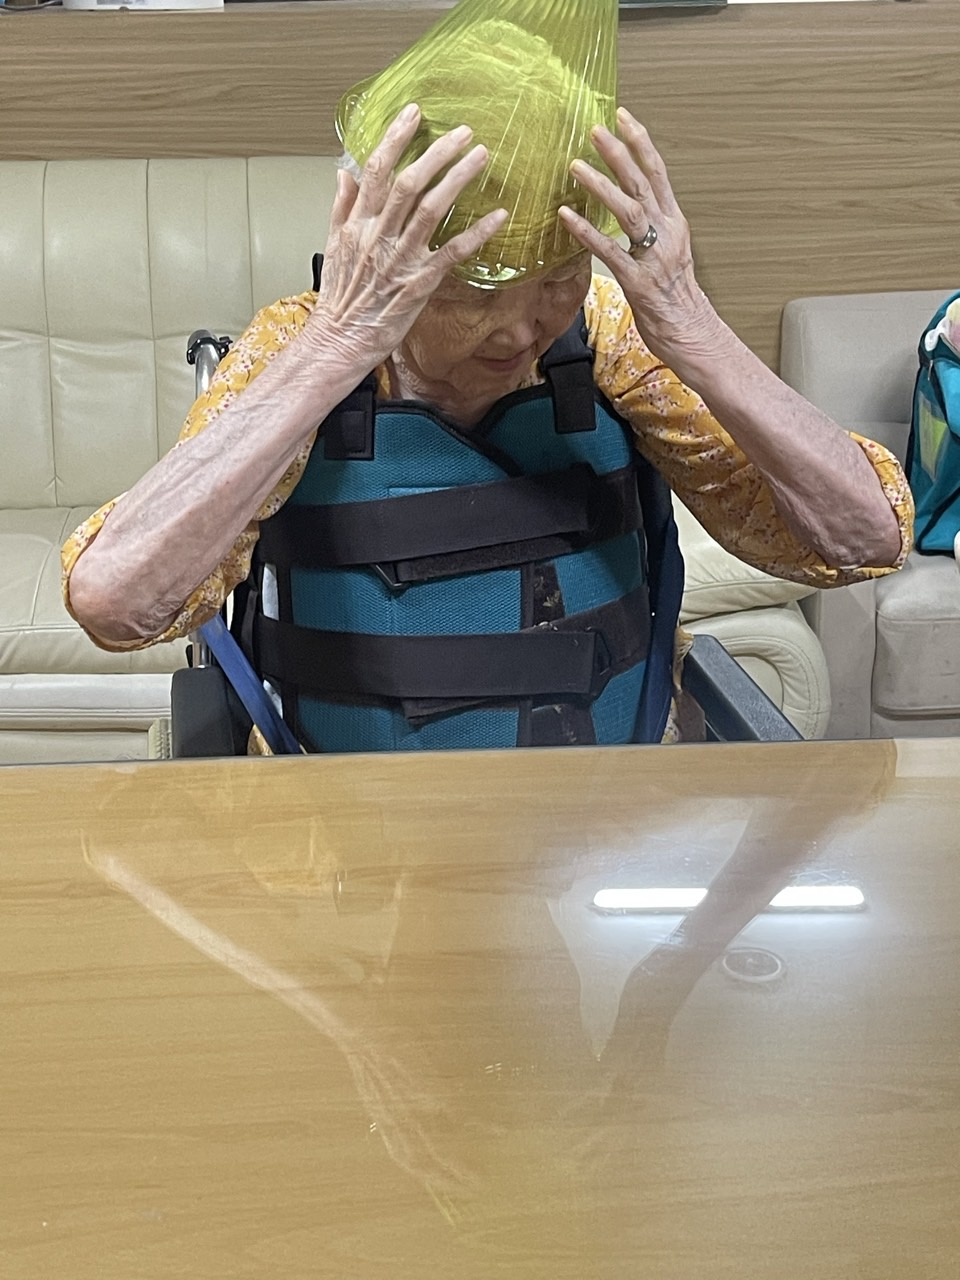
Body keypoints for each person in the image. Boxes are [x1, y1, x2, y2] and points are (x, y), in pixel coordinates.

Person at [61, 10, 912, 752]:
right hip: (347, 841)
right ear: (389, 255)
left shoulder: (607, 334)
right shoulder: (298, 346)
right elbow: (115, 599)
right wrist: (339, 346)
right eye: (474, 293)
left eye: (558, 278)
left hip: (594, 829)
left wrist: (692, 328)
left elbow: (865, 538)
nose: (519, 330)